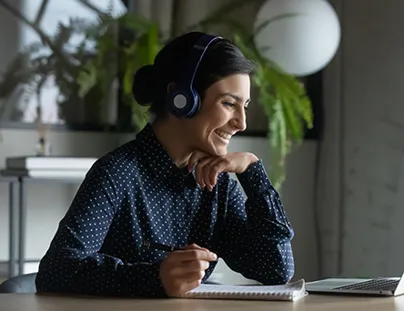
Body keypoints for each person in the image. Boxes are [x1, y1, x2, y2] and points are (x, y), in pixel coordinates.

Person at [35, 31, 295, 298]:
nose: (242, 123)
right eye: (229, 103)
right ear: (181, 99)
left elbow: (276, 269)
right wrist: (155, 277)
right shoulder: (117, 172)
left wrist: (253, 172)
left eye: (245, 107)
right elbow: (56, 270)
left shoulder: (217, 184)